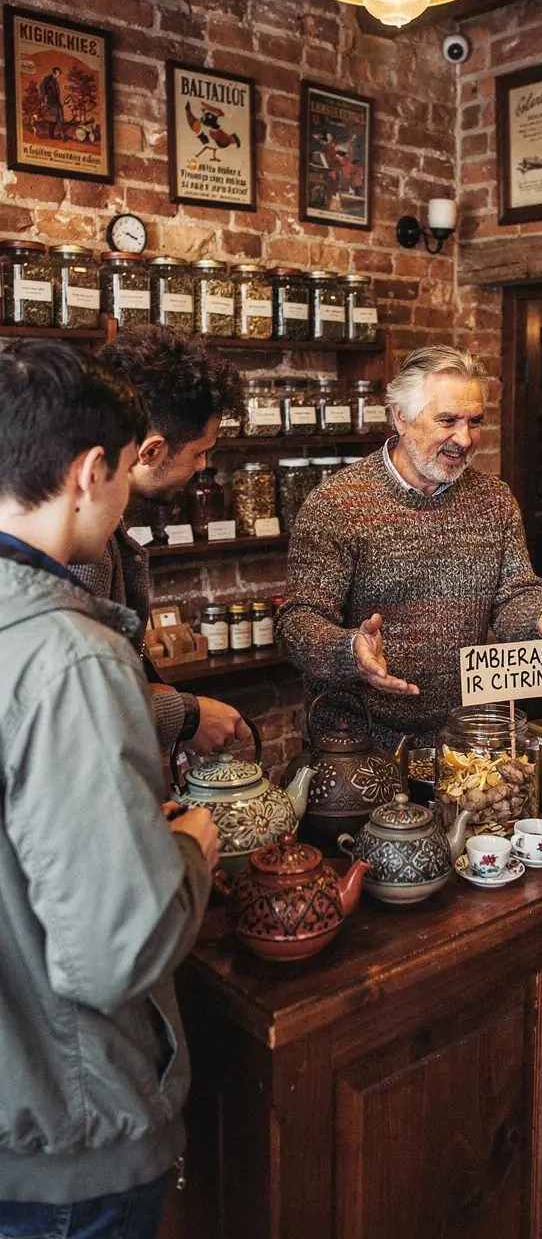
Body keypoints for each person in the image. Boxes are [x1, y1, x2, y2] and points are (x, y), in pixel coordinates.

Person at [0, 341, 218, 1237]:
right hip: (69, 1128)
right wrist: (187, 851)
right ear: (92, 471)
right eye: (129, 469)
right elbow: (114, 952)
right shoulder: (70, 656)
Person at [277, 345, 542, 745]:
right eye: (448, 420)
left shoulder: (494, 499)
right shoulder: (338, 504)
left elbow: (512, 598)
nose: (465, 438)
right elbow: (296, 622)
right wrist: (349, 649)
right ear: (400, 417)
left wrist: (539, 615)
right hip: (357, 745)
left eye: (475, 421)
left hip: (462, 739)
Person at [71, 325, 248, 753]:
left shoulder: (100, 526)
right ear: (150, 452)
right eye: (198, 453)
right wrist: (187, 716)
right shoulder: (82, 546)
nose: (203, 466)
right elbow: (77, 708)